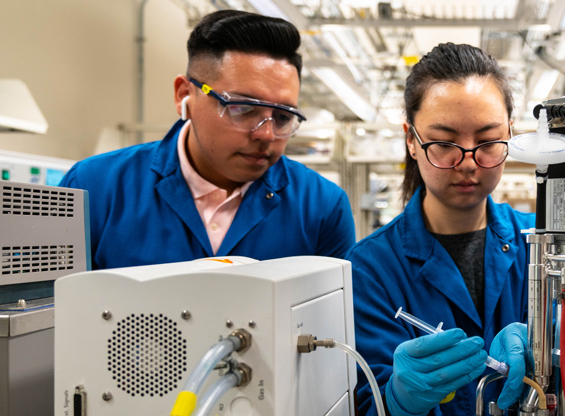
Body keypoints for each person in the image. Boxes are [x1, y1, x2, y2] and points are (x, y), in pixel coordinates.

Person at [348, 43, 534, 416]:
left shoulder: (538, 252)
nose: (467, 164)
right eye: (445, 144)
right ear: (411, 141)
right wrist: (402, 407)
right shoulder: (370, 269)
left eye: (488, 142)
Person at [59, 10, 355, 269]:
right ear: (184, 95)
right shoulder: (94, 189)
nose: (266, 134)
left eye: (282, 117)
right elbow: (49, 317)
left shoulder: (322, 208)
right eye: (243, 108)